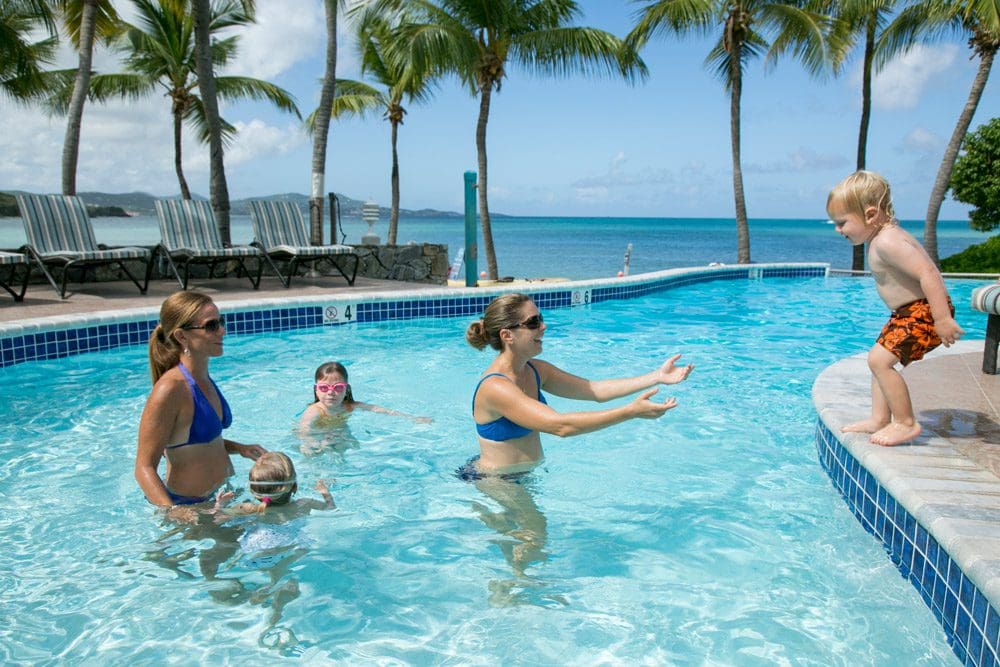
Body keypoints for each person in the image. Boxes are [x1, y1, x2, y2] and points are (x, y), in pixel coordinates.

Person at [463, 292, 694, 478]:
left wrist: (656, 376)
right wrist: (630, 412)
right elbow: (561, 426)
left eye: (541, 318)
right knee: (535, 536)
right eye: (533, 322)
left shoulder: (535, 370)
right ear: (507, 335)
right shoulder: (496, 388)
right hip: (498, 483)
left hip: (521, 477)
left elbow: (594, 390)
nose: (543, 326)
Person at [827, 170, 964, 446]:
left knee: (879, 360)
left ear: (870, 214)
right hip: (906, 314)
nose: (837, 229)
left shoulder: (888, 241)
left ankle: (905, 422)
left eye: (842, 222)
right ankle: (880, 418)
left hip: (922, 313)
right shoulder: (880, 238)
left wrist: (942, 318)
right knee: (879, 360)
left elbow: (929, 273)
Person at [135, 291, 266, 519]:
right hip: (192, 509)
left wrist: (239, 448)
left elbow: (197, 443)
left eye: (221, 322)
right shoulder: (170, 389)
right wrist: (174, 512)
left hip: (222, 497)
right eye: (211, 325)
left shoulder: (202, 378)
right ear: (182, 336)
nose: (222, 331)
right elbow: (144, 467)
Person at [298, 360, 431, 432]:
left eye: (338, 387)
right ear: (316, 390)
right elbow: (304, 430)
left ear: (346, 389)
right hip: (321, 436)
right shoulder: (315, 411)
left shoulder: (349, 406)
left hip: (341, 433)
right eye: (324, 388)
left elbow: (380, 410)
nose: (330, 392)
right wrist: (309, 444)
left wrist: (412, 418)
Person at [212, 451, 335, 517]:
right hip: (291, 546)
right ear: (294, 486)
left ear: (253, 490)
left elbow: (218, 516)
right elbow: (331, 509)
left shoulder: (248, 508)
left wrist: (220, 504)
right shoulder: (305, 504)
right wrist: (325, 492)